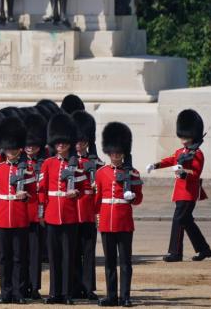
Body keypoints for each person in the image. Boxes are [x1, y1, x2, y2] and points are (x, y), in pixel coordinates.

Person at [146, 109, 211, 262]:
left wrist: (183, 172)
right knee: (187, 221)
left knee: (178, 220)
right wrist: (155, 165)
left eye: (186, 135)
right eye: (182, 134)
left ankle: (175, 252)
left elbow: (195, 173)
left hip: (189, 193)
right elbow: (169, 160)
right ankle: (204, 249)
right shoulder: (180, 152)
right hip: (180, 192)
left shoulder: (197, 154)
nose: (183, 138)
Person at [95, 122, 143, 307]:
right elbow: (97, 200)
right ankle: (111, 296)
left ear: (124, 152)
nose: (115, 156)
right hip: (107, 221)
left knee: (125, 262)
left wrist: (132, 198)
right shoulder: (102, 173)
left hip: (124, 222)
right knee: (109, 263)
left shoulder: (133, 173)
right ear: (109, 152)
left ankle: (125, 297)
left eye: (118, 153)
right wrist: (95, 217)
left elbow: (139, 199)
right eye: (113, 153)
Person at [39, 111, 84, 305]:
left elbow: (86, 187)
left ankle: (67, 293)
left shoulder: (78, 164)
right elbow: (41, 190)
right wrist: (41, 213)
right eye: (57, 143)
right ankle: (53, 293)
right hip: (51, 215)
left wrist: (77, 194)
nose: (60, 145)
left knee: (68, 256)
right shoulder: (48, 164)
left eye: (63, 142)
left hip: (69, 215)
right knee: (54, 257)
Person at [0, 117, 34, 304]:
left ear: (19, 148)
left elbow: (34, 194)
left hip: (20, 217)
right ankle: (5, 292)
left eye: (14, 149)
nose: (11, 152)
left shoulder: (28, 169)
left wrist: (26, 195)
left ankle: (18, 292)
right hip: (2, 217)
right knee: (5, 258)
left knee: (19, 258)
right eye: (9, 149)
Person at [72, 110, 100, 301]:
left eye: (83, 141)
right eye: (77, 141)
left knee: (89, 253)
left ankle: (89, 287)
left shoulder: (96, 163)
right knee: (73, 252)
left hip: (89, 212)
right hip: (72, 212)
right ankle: (74, 287)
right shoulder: (68, 163)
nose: (79, 145)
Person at [22, 113, 47, 300]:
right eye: (28, 145)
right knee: (20, 253)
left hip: (36, 212)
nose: (30, 148)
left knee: (35, 253)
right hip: (20, 212)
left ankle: (34, 286)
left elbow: (44, 189)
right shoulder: (19, 163)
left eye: (34, 145)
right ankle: (22, 285)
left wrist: (41, 212)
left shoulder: (44, 163)